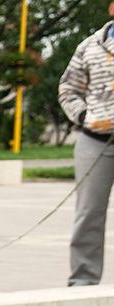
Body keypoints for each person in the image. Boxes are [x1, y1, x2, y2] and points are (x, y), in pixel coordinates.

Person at [59, 3, 114, 287]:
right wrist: (84, 117)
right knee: (88, 214)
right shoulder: (90, 46)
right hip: (95, 142)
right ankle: (82, 283)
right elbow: (68, 89)